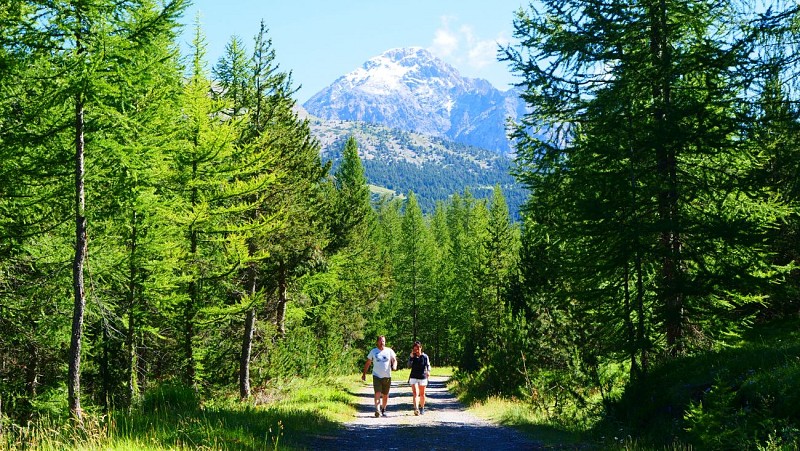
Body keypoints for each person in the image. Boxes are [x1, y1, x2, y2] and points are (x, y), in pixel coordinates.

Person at [362, 335, 397, 417]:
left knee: (385, 394)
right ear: (377, 342)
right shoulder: (373, 351)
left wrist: (394, 365)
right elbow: (368, 363)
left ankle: (383, 409)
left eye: (383, 341)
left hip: (387, 376)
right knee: (377, 393)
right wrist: (364, 373)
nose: (382, 343)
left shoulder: (389, 351)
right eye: (380, 341)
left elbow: (394, 360)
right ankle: (377, 410)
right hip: (376, 376)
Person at [407, 340, 431, 415]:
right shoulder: (412, 357)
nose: (416, 350)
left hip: (422, 376)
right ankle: (416, 408)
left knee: (422, 394)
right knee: (415, 393)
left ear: (421, 348)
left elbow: (428, 365)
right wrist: (411, 358)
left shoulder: (425, 356)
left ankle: (422, 407)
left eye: (417, 348)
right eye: (415, 349)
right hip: (413, 376)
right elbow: (408, 366)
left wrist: (428, 371)